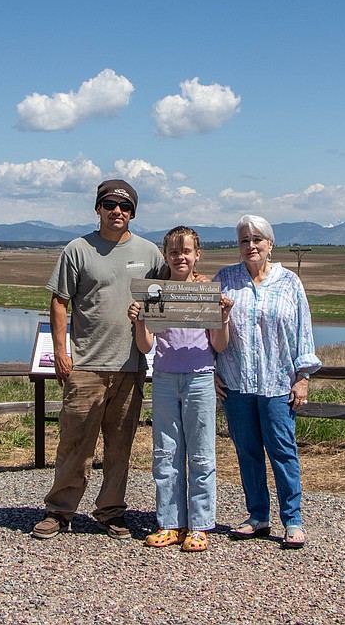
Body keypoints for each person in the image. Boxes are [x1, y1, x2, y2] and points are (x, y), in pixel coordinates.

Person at [31, 180, 164, 541]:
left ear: (133, 212)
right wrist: (62, 351)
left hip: (130, 367)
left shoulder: (151, 253)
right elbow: (60, 300)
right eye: (109, 205)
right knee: (75, 444)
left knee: (120, 446)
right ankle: (59, 512)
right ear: (98, 209)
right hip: (86, 366)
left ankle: (110, 511)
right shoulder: (78, 249)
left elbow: (173, 291)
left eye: (124, 206)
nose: (116, 211)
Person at [213, 214, 321, 549]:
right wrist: (212, 369)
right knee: (247, 452)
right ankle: (258, 515)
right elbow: (208, 328)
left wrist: (302, 377)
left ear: (270, 244)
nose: (251, 246)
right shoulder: (225, 280)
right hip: (237, 381)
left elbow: (303, 332)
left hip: (277, 383)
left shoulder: (289, 282)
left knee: (283, 451)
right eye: (244, 240)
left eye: (257, 239)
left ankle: (293, 519)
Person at [127, 226, 234, 552]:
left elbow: (219, 344)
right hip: (164, 378)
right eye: (174, 252)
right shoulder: (156, 294)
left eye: (186, 251)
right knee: (166, 453)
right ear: (166, 255)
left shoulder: (205, 293)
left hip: (200, 378)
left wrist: (224, 317)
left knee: (201, 453)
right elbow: (146, 346)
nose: (180, 257)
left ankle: (200, 525)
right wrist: (140, 321)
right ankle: (170, 523)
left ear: (197, 254)